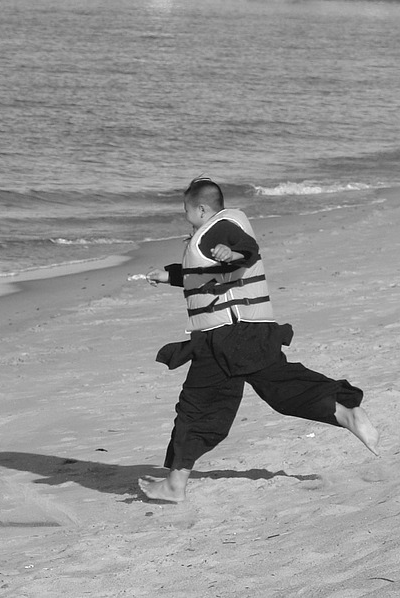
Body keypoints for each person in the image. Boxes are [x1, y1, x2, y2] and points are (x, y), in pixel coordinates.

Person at [138, 176, 380, 503]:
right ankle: (344, 411)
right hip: (253, 335)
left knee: (196, 407)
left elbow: (245, 252)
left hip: (225, 339)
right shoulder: (216, 232)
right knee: (283, 389)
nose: (185, 217)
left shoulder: (220, 229)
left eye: (186, 211)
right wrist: (167, 275)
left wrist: (234, 254)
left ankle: (174, 484)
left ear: (201, 209)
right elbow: (210, 276)